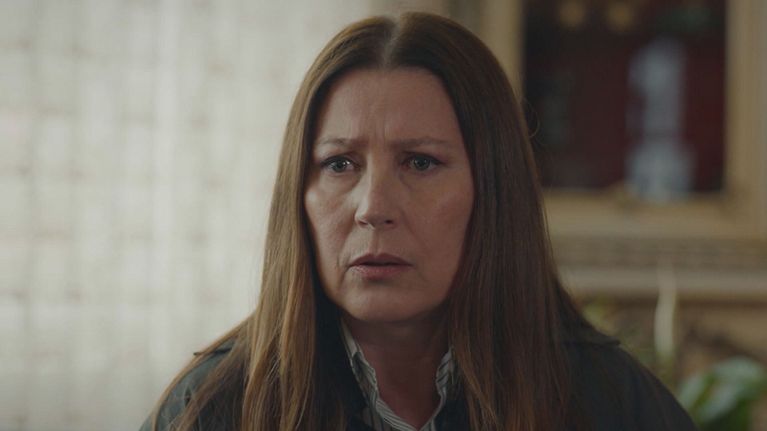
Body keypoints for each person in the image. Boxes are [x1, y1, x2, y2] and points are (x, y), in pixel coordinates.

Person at [141, 12, 698, 431]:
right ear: (299, 196)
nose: (372, 207)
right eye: (340, 164)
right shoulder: (211, 408)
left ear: (494, 190)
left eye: (420, 163)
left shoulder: (611, 403)